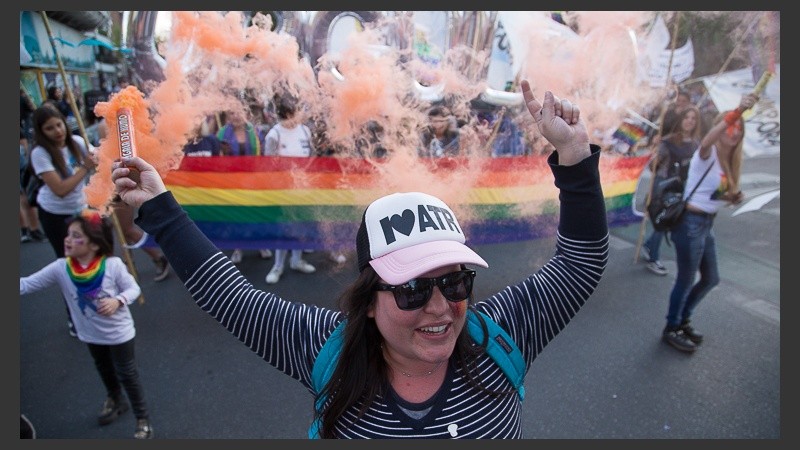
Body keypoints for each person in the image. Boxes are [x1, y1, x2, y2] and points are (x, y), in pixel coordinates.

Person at [111, 80, 609, 438]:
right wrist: (159, 209)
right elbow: (231, 296)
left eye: (455, 282)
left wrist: (574, 156)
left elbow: (580, 263)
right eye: (413, 289)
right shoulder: (328, 350)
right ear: (370, 302)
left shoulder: (500, 336)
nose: (441, 306)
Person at [19, 211, 154, 439]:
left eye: (76, 236)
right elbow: (25, 285)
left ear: (94, 244)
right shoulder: (61, 268)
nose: (67, 240)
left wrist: (118, 300)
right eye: (68, 234)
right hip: (90, 334)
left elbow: (134, 289)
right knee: (103, 368)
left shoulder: (112, 265)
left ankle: (143, 418)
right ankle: (116, 400)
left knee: (127, 374)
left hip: (119, 334)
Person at [661, 93, 757, 353]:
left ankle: (683, 319)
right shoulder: (707, 152)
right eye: (731, 127)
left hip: (705, 224)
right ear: (722, 127)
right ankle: (672, 327)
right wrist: (738, 111)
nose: (735, 132)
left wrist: (732, 197)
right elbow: (706, 139)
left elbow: (711, 194)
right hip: (689, 224)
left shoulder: (728, 161)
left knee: (711, 278)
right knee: (686, 279)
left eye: (739, 129)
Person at [29, 105, 98, 337]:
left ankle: (94, 305)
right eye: (49, 128)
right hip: (55, 215)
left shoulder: (77, 142)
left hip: (80, 210)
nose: (57, 131)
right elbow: (60, 189)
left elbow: (99, 160)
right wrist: (85, 167)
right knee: (70, 265)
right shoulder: (40, 153)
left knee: (92, 259)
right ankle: (74, 316)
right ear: (41, 132)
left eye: (59, 124)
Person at [262, 94, 322, 283]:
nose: (291, 120)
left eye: (294, 114)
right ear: (281, 115)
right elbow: (269, 164)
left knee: (301, 225)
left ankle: (297, 260)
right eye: (287, 116)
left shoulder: (305, 131)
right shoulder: (274, 135)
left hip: (303, 188)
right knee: (284, 228)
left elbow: (312, 155)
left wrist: (306, 176)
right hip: (283, 190)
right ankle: (277, 266)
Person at [642, 105, 703, 276]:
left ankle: (649, 246)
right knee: (664, 221)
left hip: (681, 187)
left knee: (669, 221)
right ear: (681, 120)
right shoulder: (667, 141)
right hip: (664, 186)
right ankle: (653, 258)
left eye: (693, 118)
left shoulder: (696, 143)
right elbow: (652, 166)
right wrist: (655, 152)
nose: (689, 121)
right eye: (687, 117)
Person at [216, 109, 272, 263]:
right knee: (236, 216)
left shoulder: (256, 132)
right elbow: (217, 160)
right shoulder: (221, 134)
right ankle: (238, 247)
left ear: (246, 113)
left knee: (255, 213)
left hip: (253, 181)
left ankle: (259, 244)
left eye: (238, 112)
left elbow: (264, 155)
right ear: (228, 116)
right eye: (232, 113)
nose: (236, 116)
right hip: (232, 182)